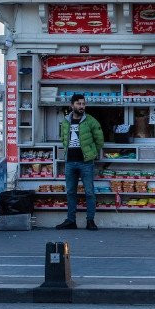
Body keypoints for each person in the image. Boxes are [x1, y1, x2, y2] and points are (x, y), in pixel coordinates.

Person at [56, 93, 104, 230]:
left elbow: (99, 140)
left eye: (83, 104)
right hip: (70, 162)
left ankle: (90, 221)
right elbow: (63, 138)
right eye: (79, 104)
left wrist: (93, 153)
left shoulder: (91, 121)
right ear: (72, 105)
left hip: (86, 163)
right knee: (70, 192)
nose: (82, 106)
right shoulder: (65, 121)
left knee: (89, 192)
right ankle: (71, 221)